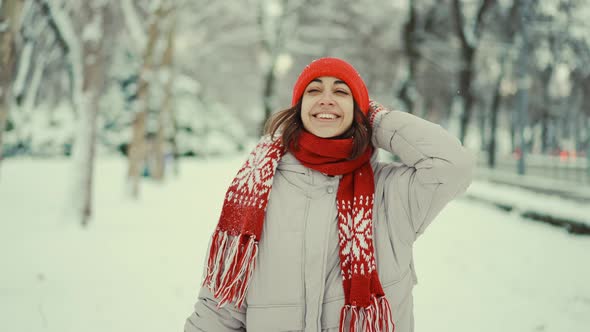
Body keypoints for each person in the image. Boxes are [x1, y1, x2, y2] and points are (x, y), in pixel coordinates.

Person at [184, 57, 474, 332]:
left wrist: (378, 119)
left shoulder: (392, 192)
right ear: (299, 108)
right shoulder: (257, 191)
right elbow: (220, 306)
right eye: (314, 90)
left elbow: (453, 166)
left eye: (341, 91)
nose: (326, 98)